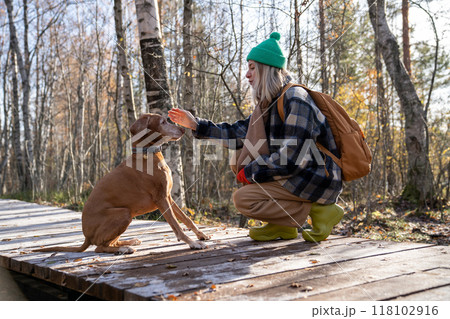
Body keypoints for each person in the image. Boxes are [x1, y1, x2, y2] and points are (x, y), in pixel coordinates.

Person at [168, 32, 344, 242]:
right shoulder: (269, 104)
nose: (247, 74)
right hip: (298, 174)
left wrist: (252, 172)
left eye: (252, 67)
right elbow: (237, 133)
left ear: (266, 69)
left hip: (317, 177)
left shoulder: (296, 99)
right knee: (240, 156)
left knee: (244, 199)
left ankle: (321, 211)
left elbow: (293, 157)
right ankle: (282, 226)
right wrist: (196, 124)